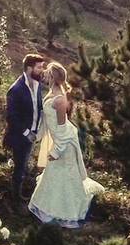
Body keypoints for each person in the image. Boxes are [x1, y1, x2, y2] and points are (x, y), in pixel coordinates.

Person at [28, 61, 105, 228]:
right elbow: (47, 120)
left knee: (63, 176)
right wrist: (38, 135)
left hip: (66, 144)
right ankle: (49, 209)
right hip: (58, 140)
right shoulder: (51, 93)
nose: (44, 76)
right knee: (53, 175)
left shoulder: (60, 100)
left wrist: (56, 151)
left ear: (53, 77)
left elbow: (63, 130)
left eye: (47, 74)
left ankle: (67, 211)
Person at [3, 53, 46, 203]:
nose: (42, 70)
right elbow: (11, 117)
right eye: (39, 67)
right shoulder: (15, 89)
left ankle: (20, 192)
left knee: (24, 165)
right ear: (29, 68)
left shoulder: (37, 84)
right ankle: (16, 201)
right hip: (19, 137)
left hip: (32, 134)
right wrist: (27, 133)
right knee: (19, 168)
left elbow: (37, 108)